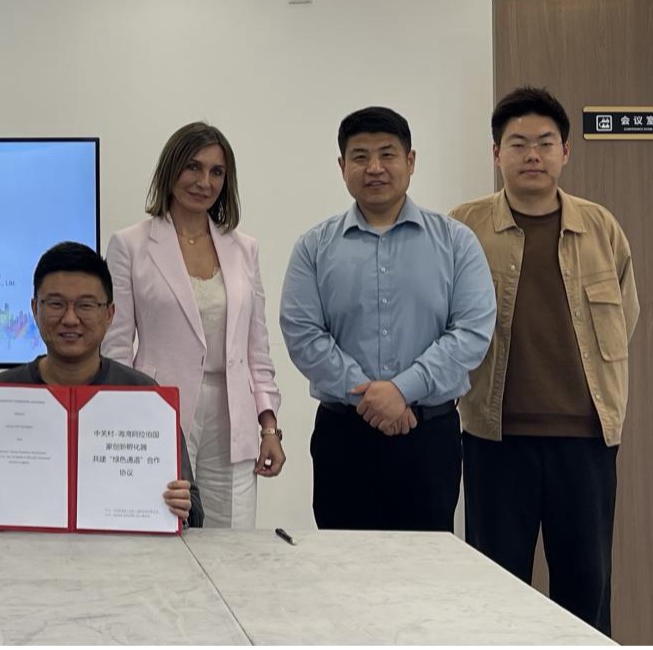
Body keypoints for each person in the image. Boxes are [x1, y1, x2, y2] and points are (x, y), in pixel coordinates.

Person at [450, 87, 638, 635]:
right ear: (496, 154)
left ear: (565, 152)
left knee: (586, 589)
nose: (532, 155)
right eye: (518, 144)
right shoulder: (464, 227)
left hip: (586, 440)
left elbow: (624, 316)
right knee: (494, 590)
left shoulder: (600, 226)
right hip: (494, 439)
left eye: (545, 143)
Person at [280, 106, 495, 532]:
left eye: (387, 154)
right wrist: (370, 397)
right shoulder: (314, 247)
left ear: (410, 161)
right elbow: (303, 333)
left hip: (429, 435)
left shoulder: (456, 242)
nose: (374, 168)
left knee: (425, 564)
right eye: (360, 157)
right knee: (343, 562)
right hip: (343, 435)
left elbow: (471, 331)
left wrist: (403, 389)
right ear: (342, 166)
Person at [102, 121, 282, 529]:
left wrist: (269, 427)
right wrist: (121, 418)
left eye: (217, 172)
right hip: (155, 411)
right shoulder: (130, 245)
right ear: (171, 170)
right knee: (161, 528)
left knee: (232, 537)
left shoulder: (244, 249)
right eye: (193, 167)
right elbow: (115, 347)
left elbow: (257, 349)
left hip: (231, 413)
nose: (205, 182)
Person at [0, 242, 200, 527]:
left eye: (85, 305)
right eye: (56, 304)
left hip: (122, 552)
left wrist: (182, 506)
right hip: (16, 549)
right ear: (35, 309)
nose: (70, 318)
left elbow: (194, 507)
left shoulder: (146, 396)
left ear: (109, 314)